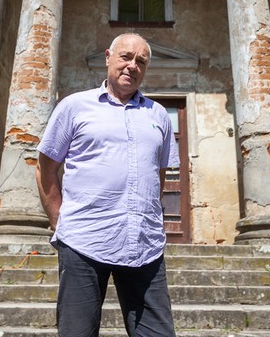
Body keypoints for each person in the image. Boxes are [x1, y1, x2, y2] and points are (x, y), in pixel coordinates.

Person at [36, 33, 179, 337]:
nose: (132, 66)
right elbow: (46, 168)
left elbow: (159, 175)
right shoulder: (74, 107)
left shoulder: (159, 116)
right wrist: (60, 221)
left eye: (141, 61)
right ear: (108, 58)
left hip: (145, 246)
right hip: (84, 241)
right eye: (125, 57)